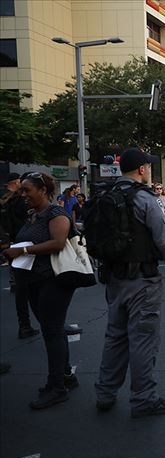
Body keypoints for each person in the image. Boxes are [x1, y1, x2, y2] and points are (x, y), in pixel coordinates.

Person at [92, 148, 165, 417]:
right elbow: (164, 239)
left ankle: (105, 393)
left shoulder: (105, 194)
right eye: (148, 166)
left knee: (115, 337)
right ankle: (143, 399)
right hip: (143, 280)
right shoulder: (145, 199)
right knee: (143, 339)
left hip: (114, 277)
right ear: (142, 169)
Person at [2, 172, 79, 409]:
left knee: (52, 332)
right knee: (52, 330)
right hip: (33, 281)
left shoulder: (56, 213)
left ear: (43, 190)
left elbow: (57, 243)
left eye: (27, 190)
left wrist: (23, 252)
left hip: (53, 281)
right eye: (22, 190)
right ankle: (65, 376)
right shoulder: (33, 215)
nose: (23, 195)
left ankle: (57, 388)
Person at [0, 173, 40, 340]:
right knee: (40, 285)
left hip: (10, 245)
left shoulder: (6, 200)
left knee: (22, 288)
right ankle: (49, 322)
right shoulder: (23, 203)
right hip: (25, 245)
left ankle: (24, 324)